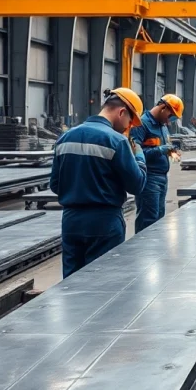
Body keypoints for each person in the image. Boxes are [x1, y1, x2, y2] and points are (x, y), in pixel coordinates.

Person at [50, 87, 147, 278]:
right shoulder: (117, 141)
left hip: (71, 221)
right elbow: (137, 185)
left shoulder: (65, 138)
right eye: (129, 121)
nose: (127, 127)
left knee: (70, 284)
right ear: (121, 112)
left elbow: (55, 185)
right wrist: (139, 157)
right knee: (103, 285)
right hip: (105, 222)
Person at [130, 94, 184, 234]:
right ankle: (143, 252)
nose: (169, 120)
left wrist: (171, 152)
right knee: (148, 220)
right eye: (170, 115)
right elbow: (135, 152)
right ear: (163, 108)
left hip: (162, 177)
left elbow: (162, 146)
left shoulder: (162, 126)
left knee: (159, 219)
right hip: (149, 178)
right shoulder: (141, 125)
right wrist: (159, 150)